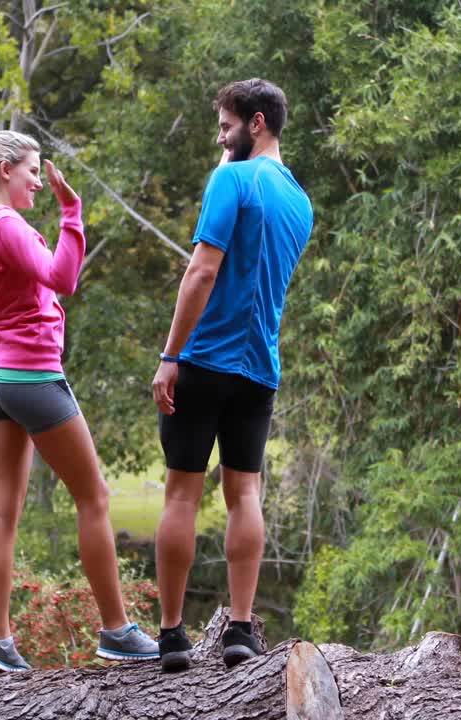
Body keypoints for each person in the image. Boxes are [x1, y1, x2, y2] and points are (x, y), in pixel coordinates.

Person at [0, 130, 159, 672]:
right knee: (94, 497)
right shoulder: (5, 224)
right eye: (33, 172)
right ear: (5, 170)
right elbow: (62, 277)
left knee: (3, 510)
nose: (41, 182)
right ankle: (116, 630)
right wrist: (73, 212)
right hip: (29, 376)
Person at [151, 79, 314, 673]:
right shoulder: (299, 200)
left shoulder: (231, 182)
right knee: (245, 492)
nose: (219, 139)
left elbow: (202, 272)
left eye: (225, 127)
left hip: (203, 360)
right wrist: (229, 158)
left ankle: (172, 637)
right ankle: (241, 629)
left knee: (181, 492)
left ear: (257, 123)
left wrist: (170, 355)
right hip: (258, 370)